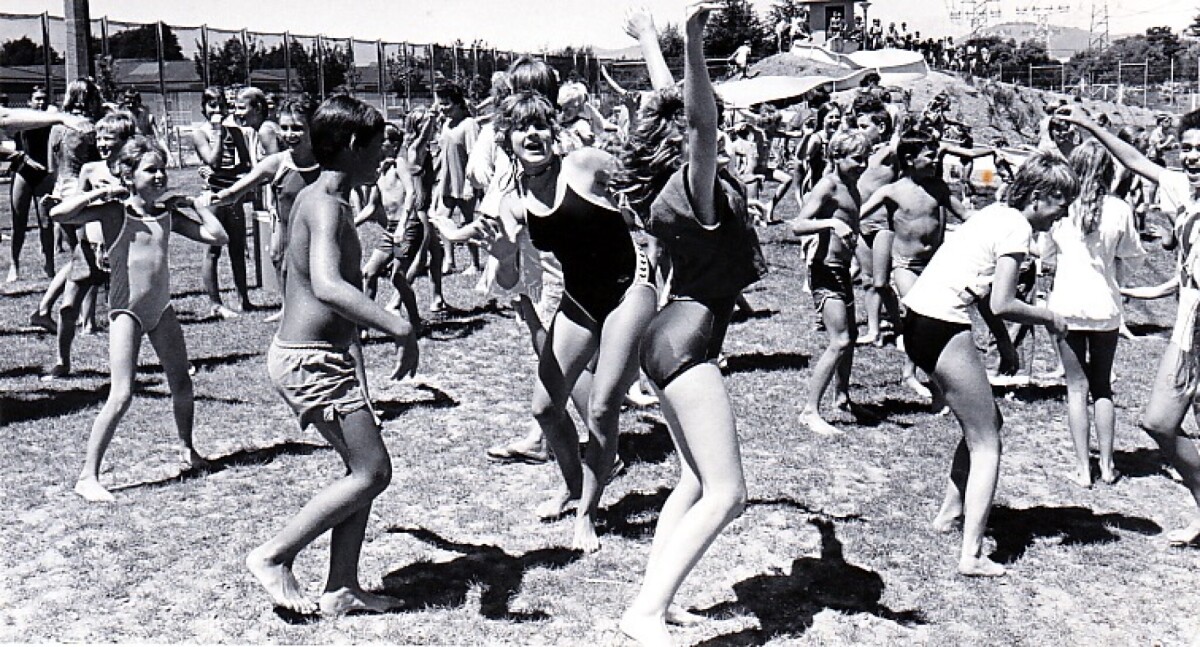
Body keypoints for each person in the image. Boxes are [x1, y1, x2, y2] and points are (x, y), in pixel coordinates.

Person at [617, 3, 767, 644]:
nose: (717, 132)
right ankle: (643, 614)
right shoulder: (696, 188)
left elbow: (676, 107)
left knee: (693, 481)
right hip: (687, 342)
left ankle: (659, 599)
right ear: (681, 142)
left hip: (666, 335)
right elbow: (701, 121)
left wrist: (652, 41)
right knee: (727, 494)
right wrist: (694, 40)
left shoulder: (667, 186)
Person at [247, 95, 418, 616]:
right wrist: (397, 325)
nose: (385, 155)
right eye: (379, 145)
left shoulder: (324, 196)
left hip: (321, 356)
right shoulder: (325, 204)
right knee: (372, 472)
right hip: (309, 361)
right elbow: (326, 284)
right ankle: (275, 555)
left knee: (359, 469)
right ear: (353, 145)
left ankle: (342, 586)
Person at [493, 86, 658, 552]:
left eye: (539, 125)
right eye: (521, 128)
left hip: (630, 288)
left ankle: (587, 514)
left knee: (602, 407)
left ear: (554, 131)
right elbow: (509, 279)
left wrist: (649, 225)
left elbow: (640, 173)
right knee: (545, 409)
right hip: (580, 298)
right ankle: (572, 486)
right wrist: (503, 254)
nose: (532, 134)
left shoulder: (583, 165)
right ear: (507, 140)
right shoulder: (512, 203)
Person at [902, 150, 1078, 576]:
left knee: (987, 424)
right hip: (942, 323)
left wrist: (1003, 342)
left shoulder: (994, 214)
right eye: (1061, 204)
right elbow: (1003, 302)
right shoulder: (1018, 228)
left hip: (919, 320)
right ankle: (973, 555)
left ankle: (949, 514)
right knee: (987, 444)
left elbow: (984, 294)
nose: (1063, 214)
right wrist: (1049, 317)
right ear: (1038, 196)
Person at [52, 136, 229, 502]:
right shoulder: (115, 213)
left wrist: (196, 205)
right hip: (126, 313)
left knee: (182, 383)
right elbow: (59, 214)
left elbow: (217, 236)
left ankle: (187, 449)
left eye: (162, 169)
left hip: (161, 310)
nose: (160, 176)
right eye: (151, 170)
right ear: (128, 175)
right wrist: (101, 193)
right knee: (121, 394)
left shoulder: (167, 215)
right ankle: (87, 476)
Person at [1060, 106, 1200, 545]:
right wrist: (1088, 125)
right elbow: (1136, 160)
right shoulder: (1183, 187)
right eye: (1187, 148)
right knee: (1158, 422)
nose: (1192, 156)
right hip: (1188, 324)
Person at [1043, 140, 1145, 488]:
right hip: (1105, 306)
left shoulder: (1060, 207)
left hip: (1066, 305)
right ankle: (1107, 465)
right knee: (1102, 386)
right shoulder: (1119, 209)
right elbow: (1133, 256)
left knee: (1076, 388)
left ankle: (1082, 469)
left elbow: (1045, 253)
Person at [861, 128, 974, 401]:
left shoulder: (939, 188)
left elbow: (966, 214)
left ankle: (910, 371)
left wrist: (999, 219)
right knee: (919, 314)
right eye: (930, 156)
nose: (936, 160)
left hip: (934, 265)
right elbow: (859, 214)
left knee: (927, 320)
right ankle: (926, 378)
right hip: (905, 265)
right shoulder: (891, 191)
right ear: (910, 159)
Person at [210, 95, 321, 322]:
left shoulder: (327, 162)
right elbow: (235, 191)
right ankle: (288, 310)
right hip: (287, 231)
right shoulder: (277, 162)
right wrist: (214, 198)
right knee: (281, 263)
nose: (289, 134)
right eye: (285, 128)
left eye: (297, 128)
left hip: (320, 233)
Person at [44, 111, 137, 381]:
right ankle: (62, 362)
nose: (102, 144)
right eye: (99, 138)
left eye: (109, 139)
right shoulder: (90, 169)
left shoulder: (133, 170)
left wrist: (122, 192)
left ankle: (163, 358)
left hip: (120, 249)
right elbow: (75, 205)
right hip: (88, 247)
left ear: (126, 140)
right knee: (67, 308)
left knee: (130, 310)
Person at [791, 129, 870, 436]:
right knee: (840, 341)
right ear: (837, 156)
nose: (863, 164)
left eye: (866, 158)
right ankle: (809, 412)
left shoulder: (851, 185)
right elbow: (798, 224)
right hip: (824, 269)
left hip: (843, 269)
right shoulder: (828, 185)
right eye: (857, 159)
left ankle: (842, 398)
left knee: (851, 335)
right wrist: (832, 223)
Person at [192, 85, 254, 319]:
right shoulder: (201, 133)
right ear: (204, 108)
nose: (217, 110)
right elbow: (214, 160)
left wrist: (228, 174)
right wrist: (217, 132)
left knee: (237, 247)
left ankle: (243, 299)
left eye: (221, 105)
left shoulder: (235, 132)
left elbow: (246, 164)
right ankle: (215, 303)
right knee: (213, 250)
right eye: (212, 106)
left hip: (231, 193)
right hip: (212, 196)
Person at [6, 86, 56, 282]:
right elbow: (8, 141)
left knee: (46, 222)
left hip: (44, 173)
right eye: (37, 99)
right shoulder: (21, 119)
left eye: (44, 99)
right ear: (29, 102)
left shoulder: (50, 120)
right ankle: (14, 265)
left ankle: (49, 264)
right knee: (19, 222)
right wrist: (23, 158)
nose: (41, 103)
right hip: (23, 171)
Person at [433, 85, 482, 276]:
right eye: (441, 104)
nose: (442, 108)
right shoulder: (446, 124)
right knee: (442, 219)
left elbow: (475, 155)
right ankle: (449, 261)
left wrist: (470, 185)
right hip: (447, 180)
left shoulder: (469, 125)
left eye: (446, 104)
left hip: (464, 180)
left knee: (468, 222)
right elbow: (443, 152)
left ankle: (474, 263)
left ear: (458, 103)